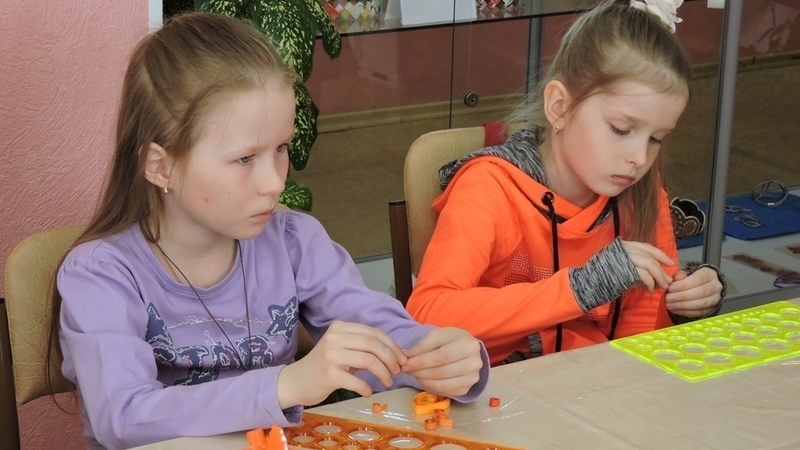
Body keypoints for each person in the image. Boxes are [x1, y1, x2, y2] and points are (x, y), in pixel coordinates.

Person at [51, 13, 489, 450]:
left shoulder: (295, 241)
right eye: (245, 159)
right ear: (160, 166)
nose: (275, 183)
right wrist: (286, 384)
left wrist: (439, 357)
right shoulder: (100, 274)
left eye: (280, 148)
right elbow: (123, 416)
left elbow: (378, 331)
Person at [406, 0, 726, 366]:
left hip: (596, 385)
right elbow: (428, 315)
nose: (640, 157)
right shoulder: (488, 187)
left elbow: (640, 346)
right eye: (620, 129)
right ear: (559, 106)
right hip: (491, 385)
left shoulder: (643, 197)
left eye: (656, 139)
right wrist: (579, 288)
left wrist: (683, 306)